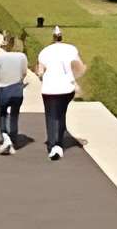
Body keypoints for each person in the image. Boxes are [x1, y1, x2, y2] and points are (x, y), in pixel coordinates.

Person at [36, 27, 87, 162]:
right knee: (61, 113)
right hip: (66, 89)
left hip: (49, 89)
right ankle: (59, 139)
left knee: (51, 116)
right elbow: (79, 67)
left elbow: (40, 72)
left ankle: (54, 144)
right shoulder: (71, 49)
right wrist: (74, 80)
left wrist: (42, 76)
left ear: (52, 38)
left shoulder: (44, 52)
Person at [0, 34, 33, 155]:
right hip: (17, 90)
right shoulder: (22, 56)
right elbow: (24, 73)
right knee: (14, 114)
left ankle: (5, 136)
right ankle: (13, 137)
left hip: (2, 90)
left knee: (2, 114)